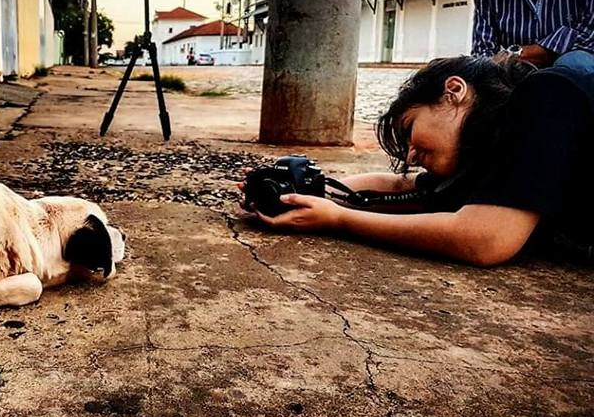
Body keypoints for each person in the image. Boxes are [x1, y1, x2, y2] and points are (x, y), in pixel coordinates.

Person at [241, 55, 594, 266]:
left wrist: (339, 220)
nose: (411, 155)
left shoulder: (549, 93)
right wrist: (297, 192)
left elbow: (485, 239)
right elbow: (397, 185)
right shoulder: (490, 154)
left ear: (453, 91)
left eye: (410, 129)